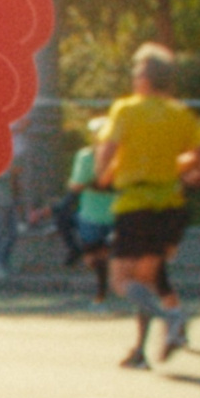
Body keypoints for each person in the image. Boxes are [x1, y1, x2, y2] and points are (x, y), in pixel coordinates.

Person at [96, 44, 200, 367]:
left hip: (136, 203)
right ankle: (140, 351)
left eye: (136, 73)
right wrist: (181, 169)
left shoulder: (127, 109)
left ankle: (172, 317)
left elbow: (109, 147)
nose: (134, 79)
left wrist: (103, 172)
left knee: (121, 280)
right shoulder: (180, 113)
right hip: (170, 204)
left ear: (145, 78)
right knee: (145, 280)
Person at [64, 117, 119, 304]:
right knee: (97, 257)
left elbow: (76, 185)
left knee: (100, 257)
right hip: (97, 213)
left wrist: (91, 183)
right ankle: (103, 292)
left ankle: (102, 293)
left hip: (102, 214)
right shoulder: (87, 156)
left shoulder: (87, 157)